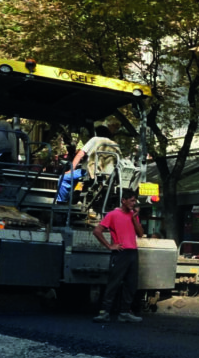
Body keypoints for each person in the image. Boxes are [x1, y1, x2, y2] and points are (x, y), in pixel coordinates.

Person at [92, 189, 145, 323]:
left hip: (133, 252)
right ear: (124, 200)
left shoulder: (134, 215)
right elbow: (97, 231)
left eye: (135, 201)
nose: (134, 203)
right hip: (120, 253)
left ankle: (124, 312)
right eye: (131, 200)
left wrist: (134, 218)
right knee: (114, 283)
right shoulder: (113, 214)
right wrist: (110, 246)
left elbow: (140, 234)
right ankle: (104, 312)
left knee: (131, 284)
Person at [56, 125, 120, 203]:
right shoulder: (115, 144)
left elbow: (80, 154)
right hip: (109, 174)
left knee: (64, 178)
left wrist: (71, 170)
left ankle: (62, 201)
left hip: (91, 172)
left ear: (96, 133)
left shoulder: (95, 139)